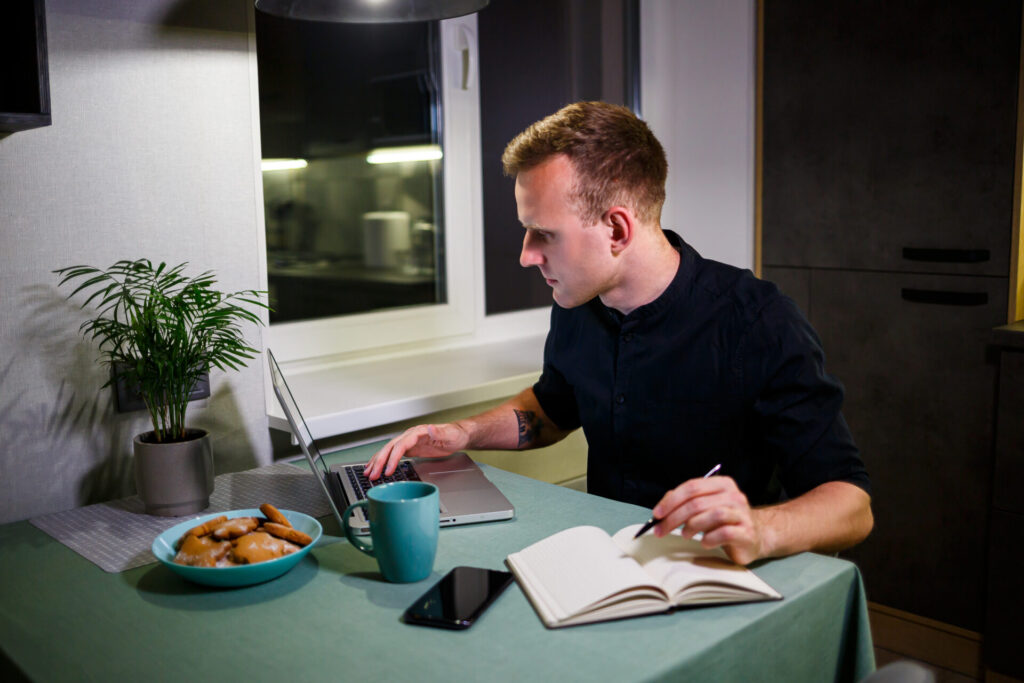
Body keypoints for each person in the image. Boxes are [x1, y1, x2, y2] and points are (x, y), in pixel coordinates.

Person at [364, 101, 873, 565]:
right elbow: (551, 411)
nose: (526, 255)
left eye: (544, 233)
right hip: (603, 562)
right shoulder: (578, 302)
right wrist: (464, 434)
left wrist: (760, 528)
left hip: (715, 574)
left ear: (617, 230)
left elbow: (852, 506)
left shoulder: (759, 321)